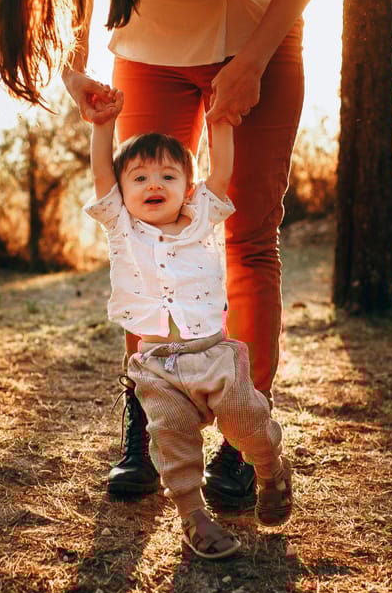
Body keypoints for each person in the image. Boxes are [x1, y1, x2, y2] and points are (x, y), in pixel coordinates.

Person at [0, 0, 320, 509]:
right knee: (143, 237)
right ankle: (147, 426)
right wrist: (73, 70)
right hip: (148, 49)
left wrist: (253, 61)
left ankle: (243, 438)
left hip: (259, 31)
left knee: (247, 240)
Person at [83, 85, 293, 558]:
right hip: (156, 365)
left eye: (167, 176)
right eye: (139, 178)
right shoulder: (121, 227)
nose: (152, 185)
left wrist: (221, 124)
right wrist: (103, 126)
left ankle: (270, 470)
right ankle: (194, 518)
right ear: (121, 191)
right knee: (171, 436)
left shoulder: (201, 220)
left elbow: (222, 172)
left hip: (213, 356)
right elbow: (100, 173)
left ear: (187, 188)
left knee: (248, 422)